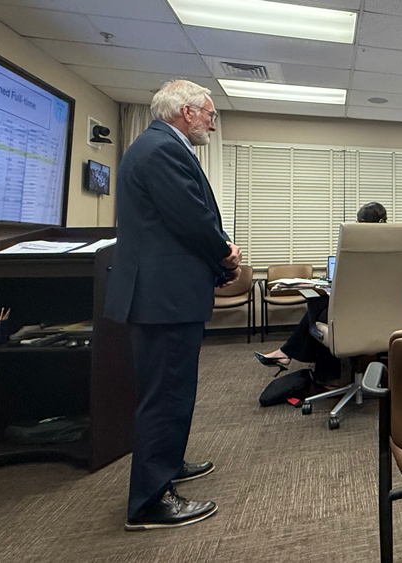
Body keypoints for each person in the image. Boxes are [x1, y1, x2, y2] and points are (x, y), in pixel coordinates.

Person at [105, 80, 240, 531]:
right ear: (186, 111)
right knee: (164, 396)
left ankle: (167, 465)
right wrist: (224, 252)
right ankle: (149, 503)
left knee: (172, 391)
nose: (212, 123)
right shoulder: (162, 149)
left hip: (165, 294)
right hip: (163, 297)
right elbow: (190, 217)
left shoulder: (156, 146)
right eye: (209, 114)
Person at [255, 203, 388, 373]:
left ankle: (324, 373)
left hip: (360, 313)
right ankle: (289, 354)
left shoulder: (359, 249)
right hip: (386, 312)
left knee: (320, 311)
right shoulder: (395, 247)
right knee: (322, 306)